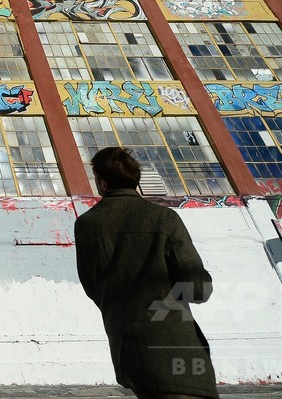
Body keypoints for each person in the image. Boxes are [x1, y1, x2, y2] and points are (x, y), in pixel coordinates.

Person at [74, 147, 218, 399]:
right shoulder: (163, 218)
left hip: (128, 352)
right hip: (175, 349)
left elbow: (92, 287)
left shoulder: (86, 225)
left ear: (103, 182)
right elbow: (198, 289)